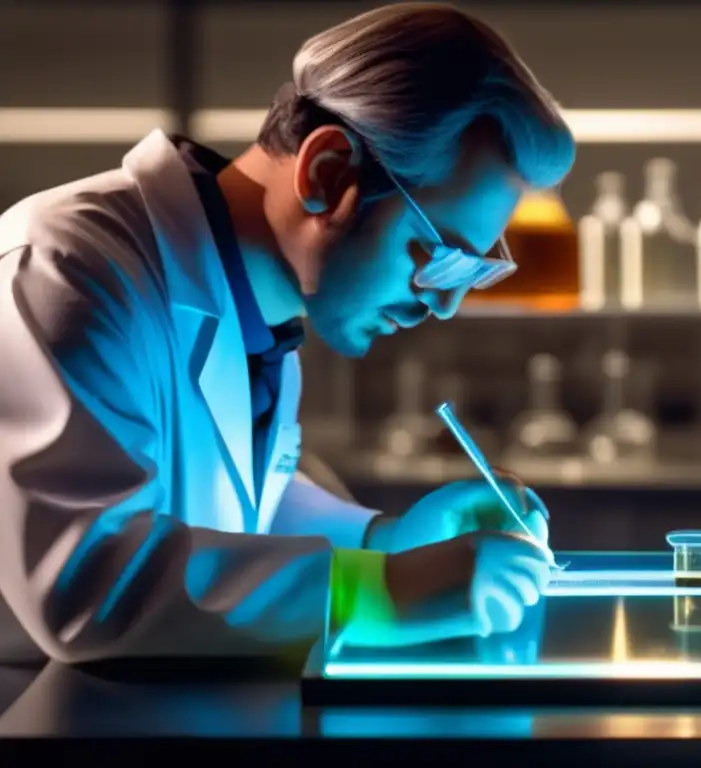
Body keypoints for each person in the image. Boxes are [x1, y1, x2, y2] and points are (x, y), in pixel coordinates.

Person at [0, 3, 575, 664]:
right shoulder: (68, 268)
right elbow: (92, 585)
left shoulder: (262, 322)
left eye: (471, 270)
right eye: (434, 253)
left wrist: (387, 541)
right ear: (328, 173)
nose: (443, 306)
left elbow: (234, 516)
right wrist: (385, 591)